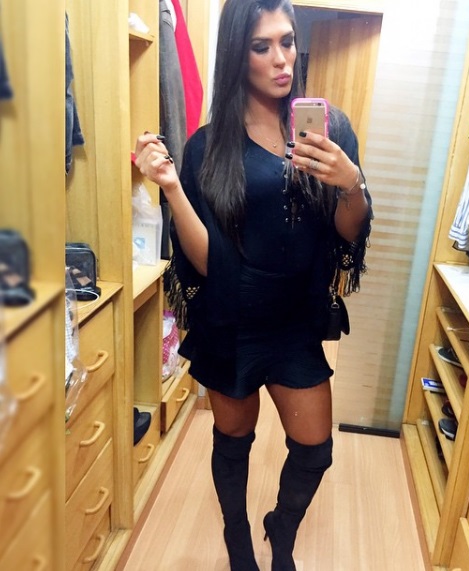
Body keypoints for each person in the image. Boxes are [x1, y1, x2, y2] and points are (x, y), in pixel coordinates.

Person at [134, 1, 372, 569]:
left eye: (287, 41)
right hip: (232, 320)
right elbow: (207, 262)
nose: (281, 59)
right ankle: (237, 537)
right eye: (261, 47)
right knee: (234, 442)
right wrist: (171, 187)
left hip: (295, 320)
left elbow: (348, 232)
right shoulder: (207, 146)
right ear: (237, 55)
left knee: (314, 449)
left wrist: (351, 183)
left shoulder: (330, 127)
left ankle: (280, 532)